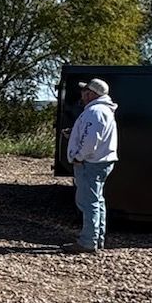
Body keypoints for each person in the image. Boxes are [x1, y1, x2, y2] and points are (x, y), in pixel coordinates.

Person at [66, 77, 119, 253]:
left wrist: (78, 156)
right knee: (96, 201)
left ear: (91, 94)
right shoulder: (103, 111)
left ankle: (87, 242)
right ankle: (97, 239)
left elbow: (90, 141)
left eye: (84, 91)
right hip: (100, 162)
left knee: (88, 203)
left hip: (91, 163)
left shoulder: (94, 112)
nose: (82, 94)